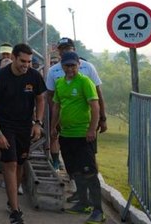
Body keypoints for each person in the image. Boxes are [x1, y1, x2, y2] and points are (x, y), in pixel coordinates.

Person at [0, 43, 46, 224]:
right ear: (12, 57)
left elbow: (41, 99)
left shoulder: (34, 76)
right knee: (10, 163)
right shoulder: (1, 77)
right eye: (22, 61)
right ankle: (16, 211)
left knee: (20, 164)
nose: (26, 65)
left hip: (24, 127)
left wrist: (38, 123)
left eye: (29, 61)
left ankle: (12, 200)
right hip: (5, 126)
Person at [50, 51, 104, 223]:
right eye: (67, 65)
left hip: (83, 136)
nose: (70, 68)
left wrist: (91, 129)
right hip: (66, 135)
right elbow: (57, 107)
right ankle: (83, 202)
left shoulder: (85, 82)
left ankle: (98, 211)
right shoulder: (59, 83)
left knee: (89, 173)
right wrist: (52, 128)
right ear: (62, 66)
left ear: (79, 65)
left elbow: (95, 107)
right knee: (75, 171)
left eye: (73, 65)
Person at [46, 37, 107, 172]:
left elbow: (98, 96)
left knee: (89, 160)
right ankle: (77, 190)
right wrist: (56, 122)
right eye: (62, 49)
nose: (64, 52)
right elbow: (51, 98)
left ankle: (92, 190)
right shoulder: (54, 71)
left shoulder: (88, 68)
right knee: (71, 160)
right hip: (66, 127)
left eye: (67, 49)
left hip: (86, 125)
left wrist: (102, 119)